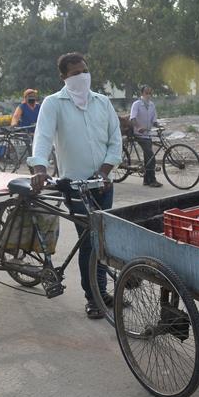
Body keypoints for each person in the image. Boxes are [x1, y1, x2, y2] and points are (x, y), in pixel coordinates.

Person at [27, 52, 123, 319]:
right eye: (75, 73)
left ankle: (101, 291)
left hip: (103, 183)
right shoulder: (53, 104)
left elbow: (115, 140)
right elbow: (43, 138)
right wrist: (39, 168)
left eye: (85, 70)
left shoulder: (102, 102)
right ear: (64, 77)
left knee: (103, 240)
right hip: (75, 185)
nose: (82, 76)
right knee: (89, 241)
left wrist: (105, 171)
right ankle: (93, 297)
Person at [129, 85, 162, 187]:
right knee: (151, 156)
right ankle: (152, 180)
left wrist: (158, 125)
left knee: (148, 156)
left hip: (148, 134)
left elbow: (154, 120)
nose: (148, 95)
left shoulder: (152, 105)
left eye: (150, 93)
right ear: (142, 94)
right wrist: (138, 127)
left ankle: (146, 180)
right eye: (146, 93)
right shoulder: (137, 104)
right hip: (139, 134)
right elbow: (132, 118)